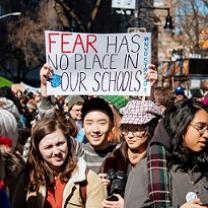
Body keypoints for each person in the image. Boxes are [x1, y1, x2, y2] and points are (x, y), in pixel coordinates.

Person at [12, 111, 107, 208]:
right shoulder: (29, 177)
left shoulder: (89, 181)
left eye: (60, 143)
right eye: (49, 147)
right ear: (38, 151)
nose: (56, 151)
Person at [124, 99, 208, 208]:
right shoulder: (145, 171)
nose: (206, 134)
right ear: (180, 126)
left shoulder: (203, 165)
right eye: (200, 127)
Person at [101, 99, 162, 208]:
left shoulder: (159, 161)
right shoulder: (113, 159)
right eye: (126, 129)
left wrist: (127, 205)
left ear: (150, 129)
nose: (129, 136)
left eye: (137, 129)